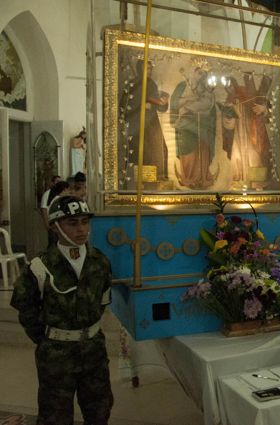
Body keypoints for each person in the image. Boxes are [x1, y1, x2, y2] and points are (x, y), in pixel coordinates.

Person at [11, 195, 113, 424]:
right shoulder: (39, 266)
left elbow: (103, 301)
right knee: (55, 416)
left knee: (99, 411)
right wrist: (47, 339)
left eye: (85, 222)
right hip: (56, 355)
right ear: (54, 226)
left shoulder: (100, 262)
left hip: (94, 351)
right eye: (72, 223)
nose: (81, 229)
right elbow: (26, 308)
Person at [121, 59, 169, 188]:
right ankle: (138, 183)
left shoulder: (151, 84)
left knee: (159, 150)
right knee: (139, 153)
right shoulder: (132, 85)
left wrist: (163, 103)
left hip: (152, 124)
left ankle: (154, 182)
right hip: (137, 125)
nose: (149, 71)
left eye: (150, 69)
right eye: (146, 68)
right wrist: (142, 105)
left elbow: (159, 105)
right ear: (140, 69)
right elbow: (125, 105)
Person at [170, 67, 216, 189]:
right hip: (186, 124)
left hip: (203, 125)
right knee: (188, 151)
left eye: (204, 74)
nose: (201, 76)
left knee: (202, 150)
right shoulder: (182, 86)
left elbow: (208, 105)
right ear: (194, 72)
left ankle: (202, 178)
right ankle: (189, 178)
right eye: (199, 73)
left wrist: (193, 105)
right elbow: (174, 104)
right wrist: (189, 99)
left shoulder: (207, 90)